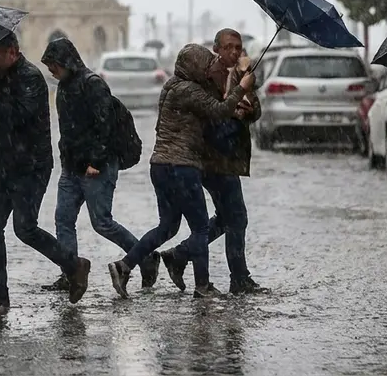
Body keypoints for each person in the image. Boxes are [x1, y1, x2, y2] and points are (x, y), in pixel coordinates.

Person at [107, 43, 250, 299]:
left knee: (168, 226)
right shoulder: (189, 90)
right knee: (200, 229)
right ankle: (203, 286)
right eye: (204, 65)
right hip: (181, 166)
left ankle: (125, 266)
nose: (208, 69)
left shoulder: (171, 86)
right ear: (194, 66)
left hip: (160, 165)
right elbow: (219, 111)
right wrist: (242, 88)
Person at [0, 32, 92, 309]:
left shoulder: (31, 78)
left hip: (30, 166)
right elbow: (2, 119)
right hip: (3, 166)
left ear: (11, 52)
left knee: (25, 228)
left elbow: (20, 114)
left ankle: (75, 265)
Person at [39, 38, 159, 294]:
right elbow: (67, 128)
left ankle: (145, 258)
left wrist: (96, 160)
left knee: (102, 222)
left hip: (96, 167)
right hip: (71, 167)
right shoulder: (63, 87)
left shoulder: (93, 85)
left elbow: (104, 126)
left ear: (66, 62)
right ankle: (71, 271)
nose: (51, 70)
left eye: (53, 65)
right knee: (63, 219)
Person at [159, 28, 265, 295]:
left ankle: (180, 255)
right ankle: (238, 277)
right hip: (213, 155)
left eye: (238, 47)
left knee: (228, 217)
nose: (234, 52)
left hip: (231, 154)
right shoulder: (208, 75)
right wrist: (235, 107)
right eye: (228, 47)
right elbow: (214, 113)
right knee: (236, 217)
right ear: (217, 49)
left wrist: (248, 107)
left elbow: (255, 110)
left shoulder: (243, 74)